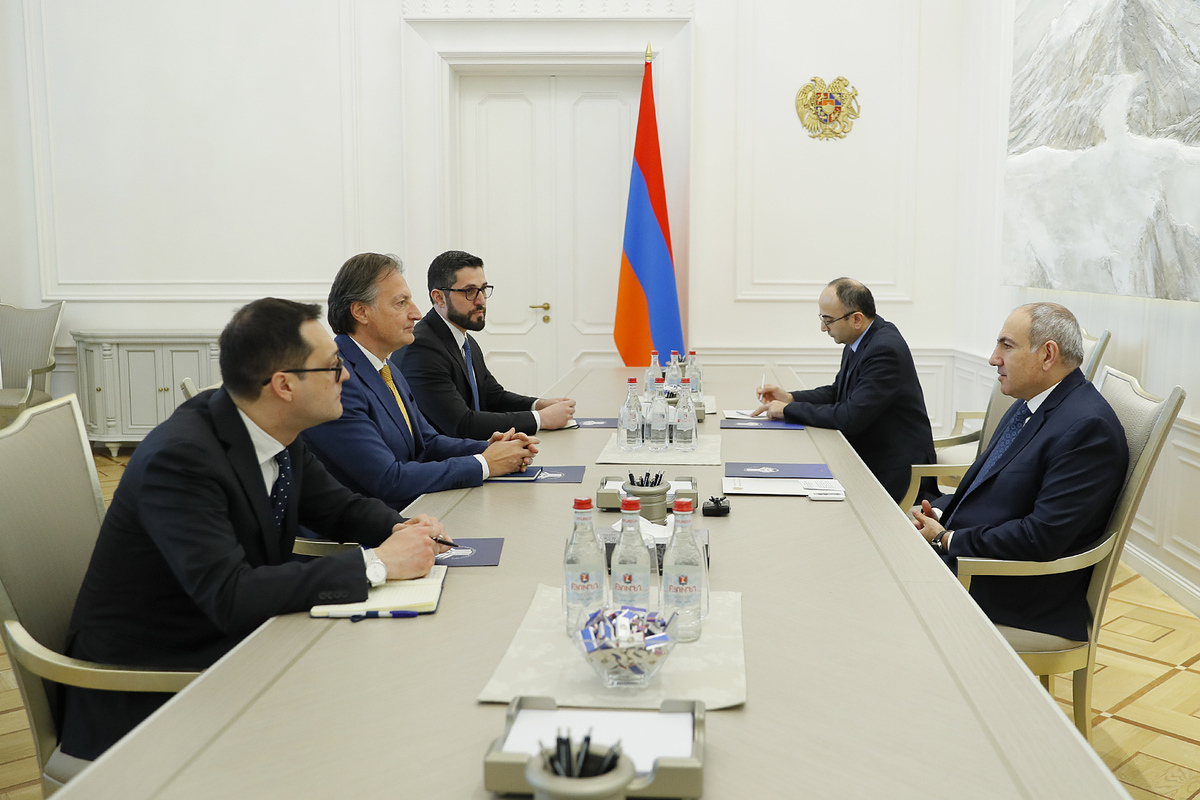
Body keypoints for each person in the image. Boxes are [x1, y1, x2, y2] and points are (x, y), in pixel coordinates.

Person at [60, 298, 453, 760]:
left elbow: (339, 508)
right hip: (150, 688)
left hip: (239, 647)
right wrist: (378, 563)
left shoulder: (273, 427)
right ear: (284, 385)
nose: (347, 376)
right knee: (370, 726)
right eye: (333, 367)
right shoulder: (181, 460)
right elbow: (231, 595)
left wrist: (405, 527)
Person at [912, 302, 1128, 641]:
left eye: (1006, 345)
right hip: (976, 562)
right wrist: (938, 513)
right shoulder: (1032, 401)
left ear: (1047, 355)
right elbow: (991, 487)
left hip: (1012, 592)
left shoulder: (1088, 429)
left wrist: (946, 539)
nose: (993, 358)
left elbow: (1039, 537)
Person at [302, 253, 538, 511]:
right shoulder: (337, 380)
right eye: (401, 303)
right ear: (361, 312)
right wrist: (485, 463)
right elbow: (389, 480)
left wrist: (494, 447)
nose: (415, 313)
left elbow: (427, 442)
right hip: (375, 527)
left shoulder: (386, 367)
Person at [753, 278, 937, 503]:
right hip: (870, 454)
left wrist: (787, 410)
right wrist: (790, 398)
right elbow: (837, 392)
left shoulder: (884, 349)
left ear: (856, 319)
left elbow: (850, 417)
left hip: (894, 470)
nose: (823, 328)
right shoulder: (861, 339)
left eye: (828, 320)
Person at [394, 249, 576, 439]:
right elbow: (462, 425)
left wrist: (539, 405)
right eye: (470, 291)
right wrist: (541, 419)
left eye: (483, 289)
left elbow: (493, 397)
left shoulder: (465, 341)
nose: (481, 300)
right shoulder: (421, 348)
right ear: (439, 297)